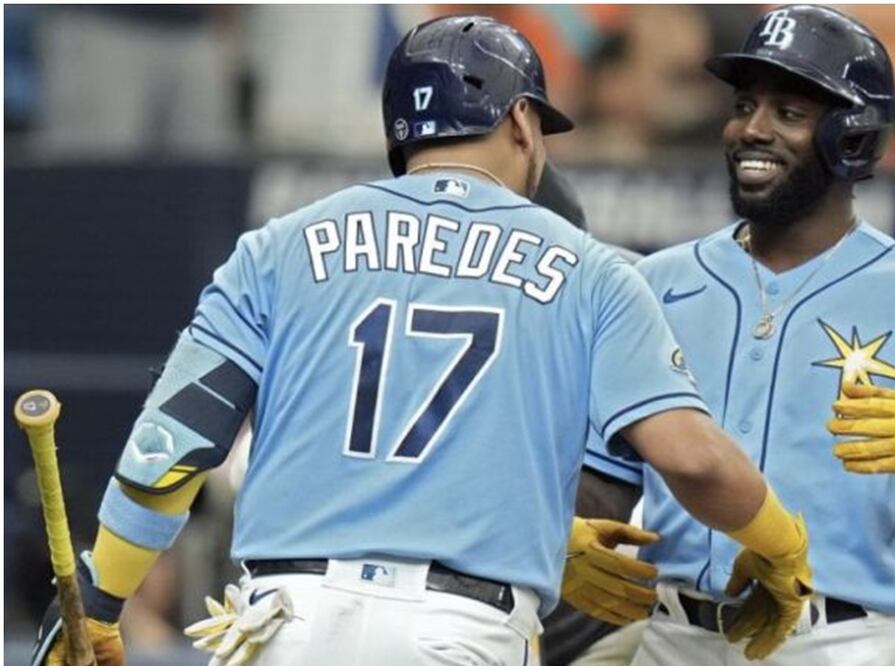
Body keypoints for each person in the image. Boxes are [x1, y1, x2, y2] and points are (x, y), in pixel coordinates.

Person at [30, 15, 815, 666]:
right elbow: (693, 457)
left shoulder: (279, 244)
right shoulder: (591, 267)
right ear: (518, 121)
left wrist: (102, 598)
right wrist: (780, 548)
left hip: (283, 623)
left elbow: (172, 446)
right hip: (462, 630)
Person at [560, 5, 895, 666]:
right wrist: (559, 531)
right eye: (744, 105)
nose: (751, 130)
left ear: (852, 137)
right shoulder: (653, 284)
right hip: (671, 637)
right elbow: (606, 481)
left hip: (840, 640)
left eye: (788, 114)